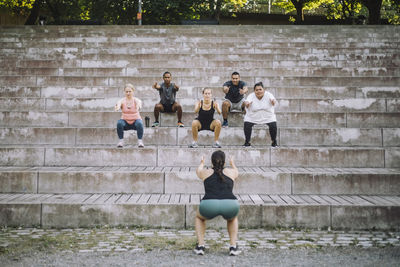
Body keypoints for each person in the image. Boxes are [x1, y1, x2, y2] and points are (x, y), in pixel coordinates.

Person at [194, 150, 241, 256]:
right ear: (224, 163)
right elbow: (236, 172)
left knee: (199, 218)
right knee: (232, 218)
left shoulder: (205, 172)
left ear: (211, 162)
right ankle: (233, 246)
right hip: (230, 205)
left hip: (209, 205)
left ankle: (200, 245)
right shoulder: (230, 172)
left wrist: (202, 162)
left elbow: (198, 171)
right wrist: (232, 163)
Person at [243, 82, 278, 147]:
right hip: (253, 117)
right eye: (256, 90)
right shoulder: (251, 95)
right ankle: (247, 142)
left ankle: (274, 141)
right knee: (247, 124)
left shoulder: (268, 94)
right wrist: (247, 104)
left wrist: (273, 102)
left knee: (273, 125)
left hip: (268, 117)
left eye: (260, 89)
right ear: (254, 91)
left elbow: (273, 101)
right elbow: (247, 102)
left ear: (263, 90)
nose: (258, 91)